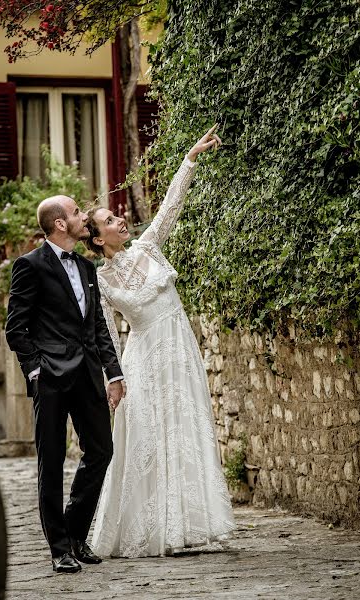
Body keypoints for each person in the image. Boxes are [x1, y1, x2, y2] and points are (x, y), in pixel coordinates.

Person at [87, 125, 236, 558]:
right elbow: (108, 336)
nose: (120, 221)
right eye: (111, 221)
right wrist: (112, 382)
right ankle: (150, 527)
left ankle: (189, 525)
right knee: (147, 440)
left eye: (117, 217)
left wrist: (189, 159)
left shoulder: (148, 248)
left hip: (178, 349)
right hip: (143, 359)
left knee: (185, 429)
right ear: (98, 239)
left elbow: (170, 206)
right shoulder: (100, 279)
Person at [5, 196, 126, 573]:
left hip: (88, 375)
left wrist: (114, 373)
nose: (82, 216)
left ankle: (74, 533)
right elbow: (15, 328)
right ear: (60, 224)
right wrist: (36, 370)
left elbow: (98, 327)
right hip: (51, 380)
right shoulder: (30, 266)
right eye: (75, 212)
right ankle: (58, 548)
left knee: (101, 452)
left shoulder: (87, 267)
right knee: (52, 463)